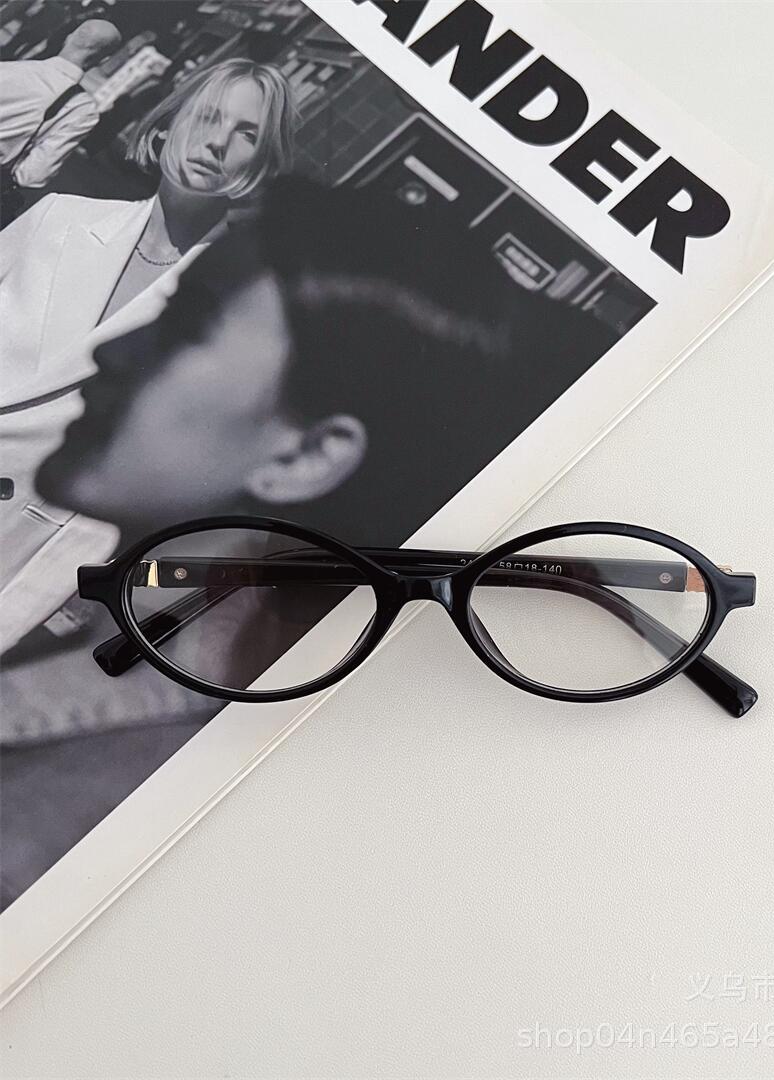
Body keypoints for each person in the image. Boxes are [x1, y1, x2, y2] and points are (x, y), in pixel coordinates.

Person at [0, 175, 564, 907]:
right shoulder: (127, 629)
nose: (112, 351)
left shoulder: (105, 789)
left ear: (304, 456)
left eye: (186, 328)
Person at [0, 57, 297, 654]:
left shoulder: (237, 314)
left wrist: (67, 601)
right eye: (208, 116)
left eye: (246, 133)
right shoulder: (59, 217)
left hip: (25, 546)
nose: (218, 141)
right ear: (166, 125)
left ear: (263, 164)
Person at [0, 19, 120, 192]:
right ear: (104, 59)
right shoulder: (82, 110)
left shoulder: (7, 69)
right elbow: (33, 175)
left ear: (68, 38)